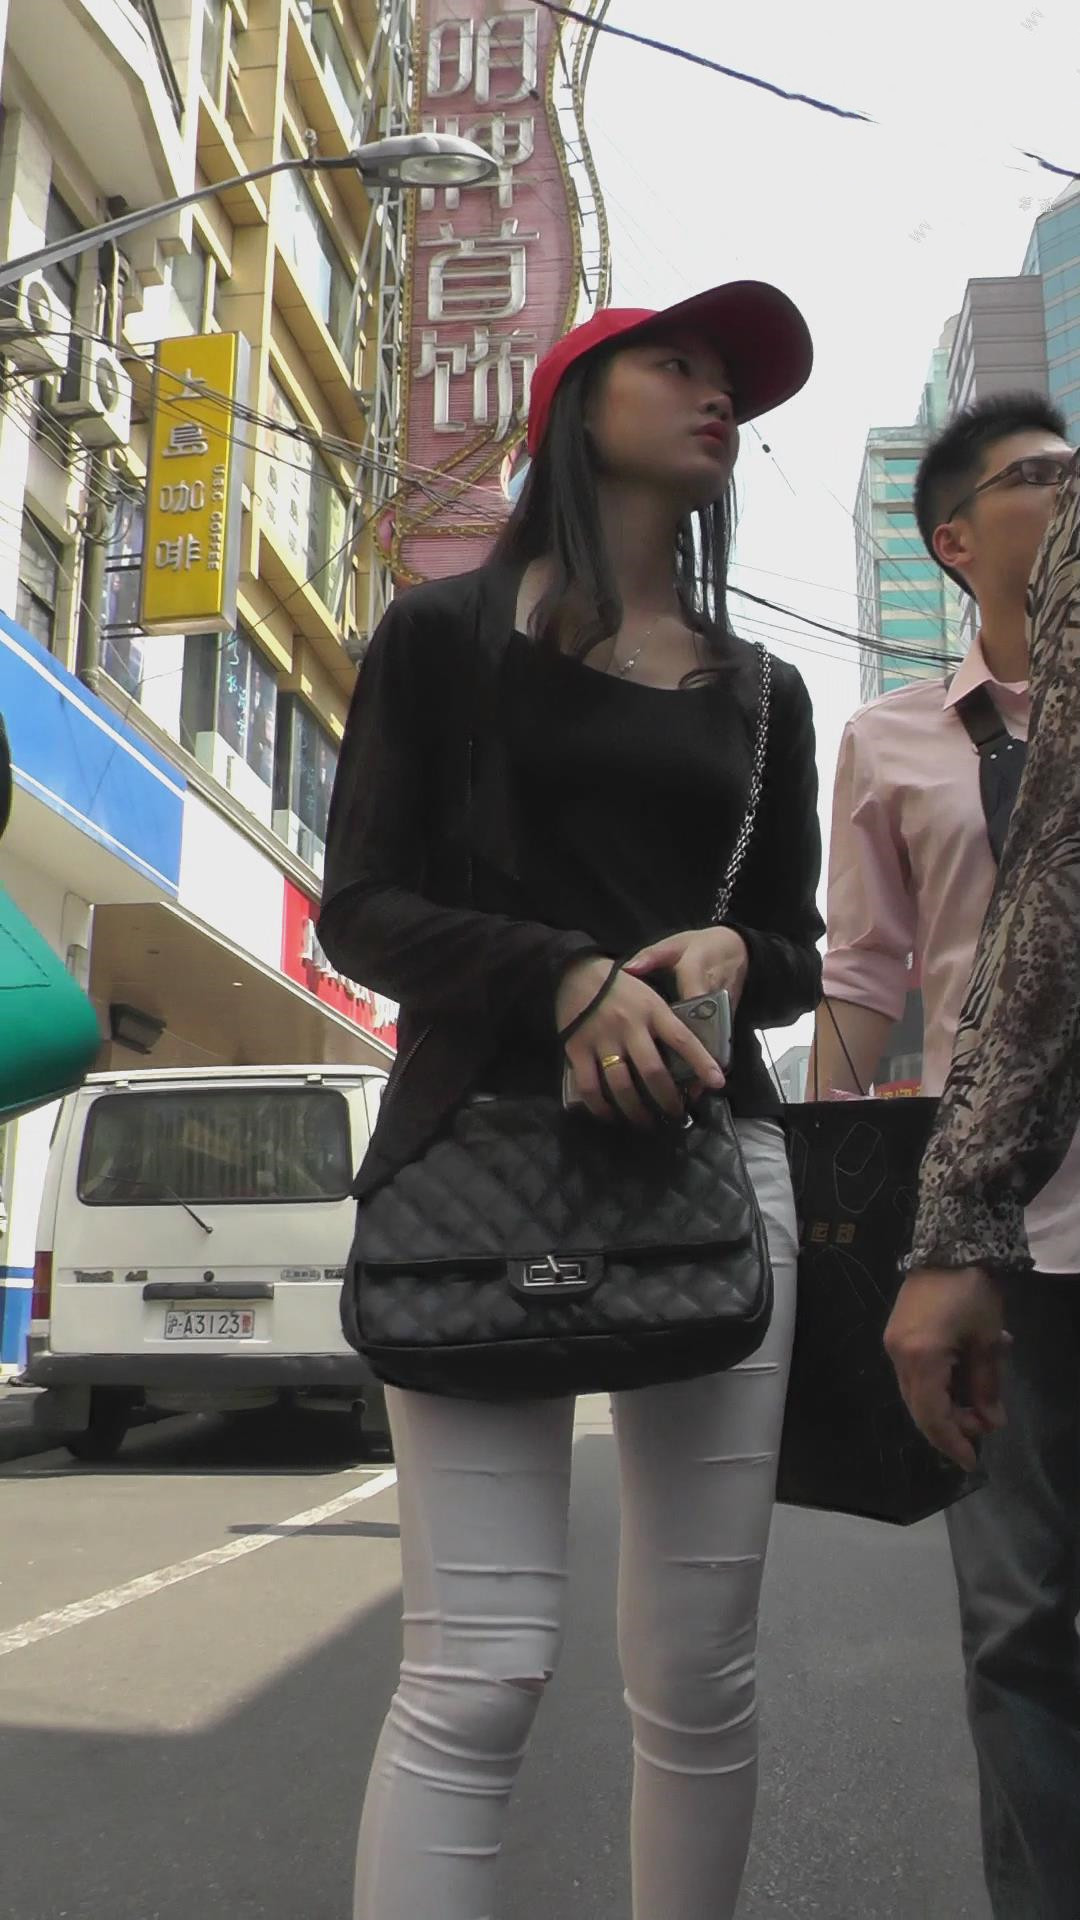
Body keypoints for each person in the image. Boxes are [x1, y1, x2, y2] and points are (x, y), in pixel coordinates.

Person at [318, 284, 822, 1920]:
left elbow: (799, 952)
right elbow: (360, 910)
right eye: (676, 364)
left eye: (729, 380)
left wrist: (737, 950)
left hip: (713, 1160)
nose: (715, 396)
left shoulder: (764, 693)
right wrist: (564, 978)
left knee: (699, 1670)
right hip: (472, 1151)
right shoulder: (440, 637)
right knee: (477, 1670)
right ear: (572, 402)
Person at [815, 395, 1077, 1920]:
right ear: (959, 543)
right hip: (1000, 1245)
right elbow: (866, 979)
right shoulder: (890, 740)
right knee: (1019, 1625)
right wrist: (840, 1219)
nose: (1074, 491)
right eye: (1040, 478)